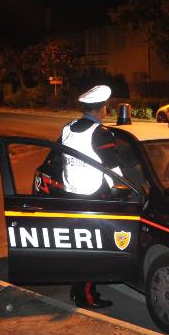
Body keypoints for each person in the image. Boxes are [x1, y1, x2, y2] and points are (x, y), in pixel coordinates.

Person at [60, 84, 122, 309]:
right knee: (93, 250)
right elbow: (114, 170)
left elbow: (61, 158)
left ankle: (76, 288)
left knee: (78, 247)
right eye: (106, 106)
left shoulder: (68, 127)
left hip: (70, 196)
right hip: (93, 197)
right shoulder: (101, 133)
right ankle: (86, 296)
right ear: (102, 109)